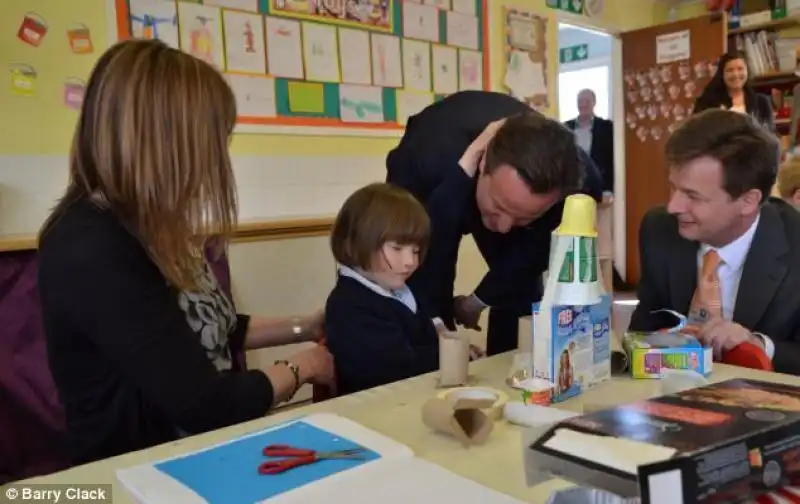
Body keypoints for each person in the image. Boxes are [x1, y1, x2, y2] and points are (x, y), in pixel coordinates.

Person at [36, 39, 335, 466]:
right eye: (215, 140)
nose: (218, 158)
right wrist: (304, 366)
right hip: (133, 473)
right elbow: (205, 405)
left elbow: (208, 331)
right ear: (169, 142)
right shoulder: (89, 248)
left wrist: (303, 326)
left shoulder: (150, 224)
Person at [386, 90, 603, 356]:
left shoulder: (579, 182)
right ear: (483, 162)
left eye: (524, 216)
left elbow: (528, 256)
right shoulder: (422, 159)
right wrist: (440, 330)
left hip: (488, 188)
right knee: (427, 313)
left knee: (520, 294)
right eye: (499, 208)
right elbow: (421, 262)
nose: (503, 228)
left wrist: (477, 301)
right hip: (436, 173)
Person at [629, 109, 800, 375]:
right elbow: (643, 331)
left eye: (693, 196)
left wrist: (759, 346)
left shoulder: (795, 245)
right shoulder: (659, 230)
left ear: (748, 201)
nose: (673, 206)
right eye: (673, 187)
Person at [324, 183, 448, 395]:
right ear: (352, 245)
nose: (410, 261)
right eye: (397, 249)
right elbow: (397, 368)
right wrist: (452, 354)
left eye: (416, 250)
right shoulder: (350, 304)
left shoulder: (403, 289)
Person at [693, 51, 775, 133]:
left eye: (740, 69)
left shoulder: (762, 102)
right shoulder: (706, 103)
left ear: (747, 71)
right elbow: (697, 134)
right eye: (730, 70)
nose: (736, 74)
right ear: (722, 74)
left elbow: (770, 135)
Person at [565, 89, 614, 195]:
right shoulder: (566, 127)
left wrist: (608, 189)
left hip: (599, 186)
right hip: (572, 187)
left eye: (587, 101)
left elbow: (611, 160)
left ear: (594, 103)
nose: (583, 104)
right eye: (580, 101)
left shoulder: (607, 127)